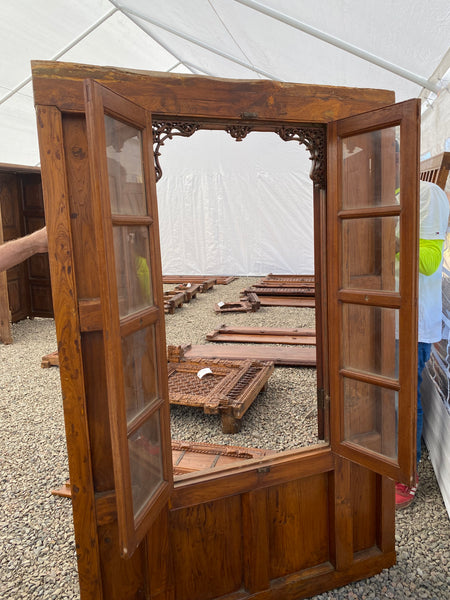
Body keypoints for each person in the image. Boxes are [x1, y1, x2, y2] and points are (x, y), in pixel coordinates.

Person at [395, 180, 449, 509]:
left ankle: (406, 475)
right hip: (390, 315)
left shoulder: (426, 194)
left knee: (405, 398)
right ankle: (393, 456)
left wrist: (387, 236)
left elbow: (429, 261)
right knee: (392, 394)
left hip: (410, 323)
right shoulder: (396, 193)